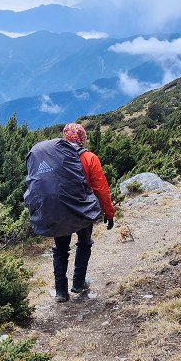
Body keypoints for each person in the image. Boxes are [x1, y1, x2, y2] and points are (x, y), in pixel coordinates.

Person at [50, 123, 115, 303]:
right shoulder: (89, 158)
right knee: (84, 243)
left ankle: (61, 292)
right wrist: (109, 213)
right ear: (82, 137)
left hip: (60, 209)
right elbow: (101, 189)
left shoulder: (54, 157)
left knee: (60, 250)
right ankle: (78, 283)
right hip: (83, 209)